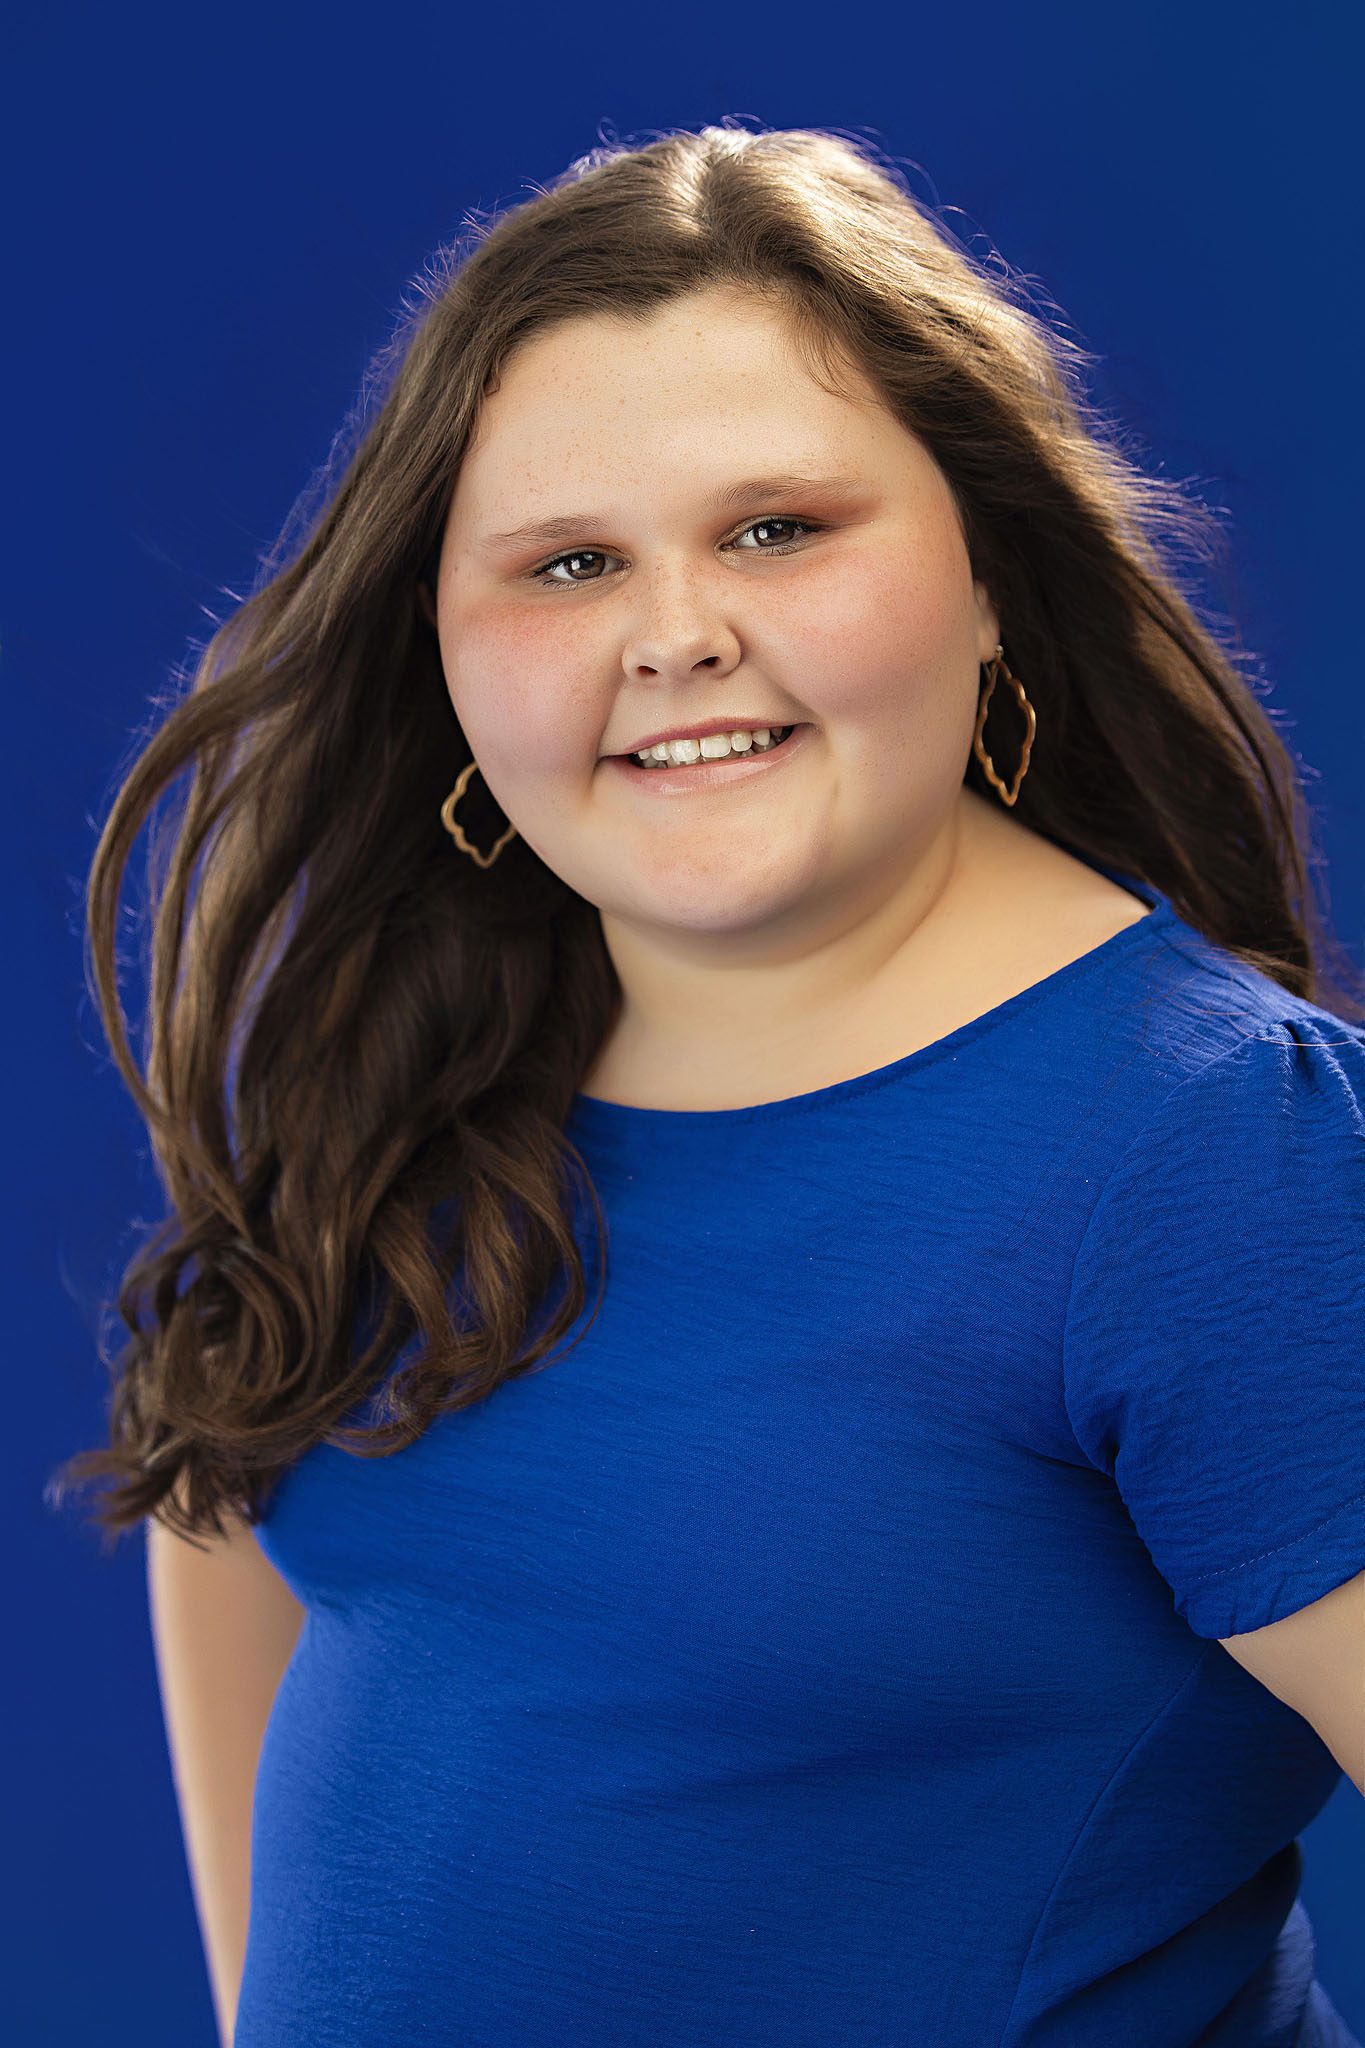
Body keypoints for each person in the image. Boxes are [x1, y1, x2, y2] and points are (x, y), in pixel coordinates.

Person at [55, 124, 1365, 2047]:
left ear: (991, 577)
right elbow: (244, 1513)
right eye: (570, 563)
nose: (675, 635)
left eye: (777, 529)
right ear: (445, 651)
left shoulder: (1222, 1157)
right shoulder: (427, 1066)